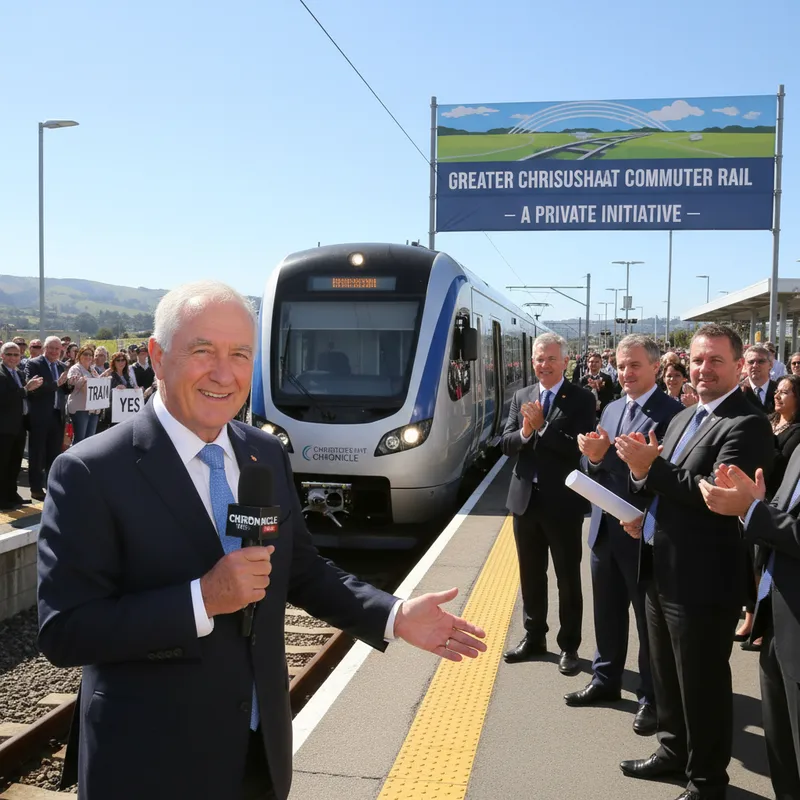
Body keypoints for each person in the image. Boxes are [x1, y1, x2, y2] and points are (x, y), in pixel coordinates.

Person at [36, 280, 486, 800]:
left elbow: (300, 570)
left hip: (257, 750)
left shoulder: (263, 454)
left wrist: (392, 614)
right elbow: (65, 631)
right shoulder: (90, 472)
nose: (223, 374)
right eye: (202, 351)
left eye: (240, 355)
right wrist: (200, 599)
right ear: (158, 358)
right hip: (148, 761)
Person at [614, 324, 775, 800]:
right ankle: (671, 750)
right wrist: (640, 504)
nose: (703, 369)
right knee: (664, 671)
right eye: (698, 360)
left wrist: (649, 469)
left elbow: (712, 495)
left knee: (702, 683)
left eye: (716, 361)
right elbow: (664, 482)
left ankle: (707, 781)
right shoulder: (687, 417)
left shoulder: (747, 424)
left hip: (704, 579)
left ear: (739, 364)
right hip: (659, 564)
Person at [568, 335, 681, 735]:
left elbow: (664, 478)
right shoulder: (612, 407)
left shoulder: (671, 414)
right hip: (603, 529)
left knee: (648, 621)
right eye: (620, 365)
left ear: (655, 368)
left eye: (634, 366)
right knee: (607, 610)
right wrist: (591, 456)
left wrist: (605, 461)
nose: (625, 373)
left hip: (642, 531)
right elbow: (591, 461)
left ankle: (651, 697)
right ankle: (606, 678)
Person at [700, 458, 800, 800]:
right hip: (778, 620)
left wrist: (755, 511)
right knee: (783, 753)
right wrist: (752, 505)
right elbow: (784, 516)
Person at [502, 332, 596, 675]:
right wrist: (526, 432)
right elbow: (506, 443)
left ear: (565, 362)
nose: (545, 364)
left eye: (552, 359)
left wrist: (542, 429)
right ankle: (533, 637)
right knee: (530, 574)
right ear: (532, 362)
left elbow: (578, 448)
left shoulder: (581, 399)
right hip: (525, 501)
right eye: (540, 359)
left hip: (563, 504)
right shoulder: (522, 396)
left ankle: (569, 645)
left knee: (567, 577)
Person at [25, 335, 70, 501]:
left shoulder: (61, 366)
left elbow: (64, 390)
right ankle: (36, 488)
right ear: (44, 348)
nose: (53, 351)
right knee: (37, 453)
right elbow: (33, 387)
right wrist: (55, 384)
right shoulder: (34, 363)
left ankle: (51, 485)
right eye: (51, 348)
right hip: (40, 416)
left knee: (54, 453)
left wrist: (70, 384)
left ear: (61, 351)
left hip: (57, 416)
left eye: (57, 349)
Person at [0, 342, 43, 509]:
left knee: (15, 463)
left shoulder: (17, 372)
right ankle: (2, 498)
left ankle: (12, 493)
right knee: (3, 464)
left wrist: (34, 387)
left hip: (19, 425)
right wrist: (26, 389)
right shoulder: (1, 373)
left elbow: (24, 394)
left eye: (16, 355)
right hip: (4, 427)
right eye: (9, 354)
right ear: (2, 356)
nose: (12, 358)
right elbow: (5, 398)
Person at [66, 346, 102, 444]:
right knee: (79, 440)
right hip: (80, 409)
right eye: (85, 354)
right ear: (79, 355)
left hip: (93, 409)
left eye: (90, 355)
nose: (88, 357)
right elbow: (72, 383)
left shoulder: (93, 370)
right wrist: (82, 381)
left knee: (90, 441)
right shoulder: (75, 368)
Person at [741, 344, 777, 414]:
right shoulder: (737, 391)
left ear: (770, 365)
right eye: (751, 362)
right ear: (744, 365)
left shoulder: (779, 390)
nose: (755, 365)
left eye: (761, 361)